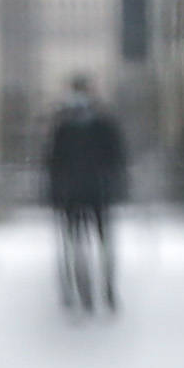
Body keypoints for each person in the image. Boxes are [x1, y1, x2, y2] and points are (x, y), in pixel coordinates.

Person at [43, 75, 129, 314]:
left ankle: (94, 290)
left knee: (83, 245)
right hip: (89, 192)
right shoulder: (87, 124)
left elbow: (52, 162)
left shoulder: (65, 124)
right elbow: (116, 159)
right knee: (88, 245)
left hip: (82, 192)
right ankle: (95, 290)